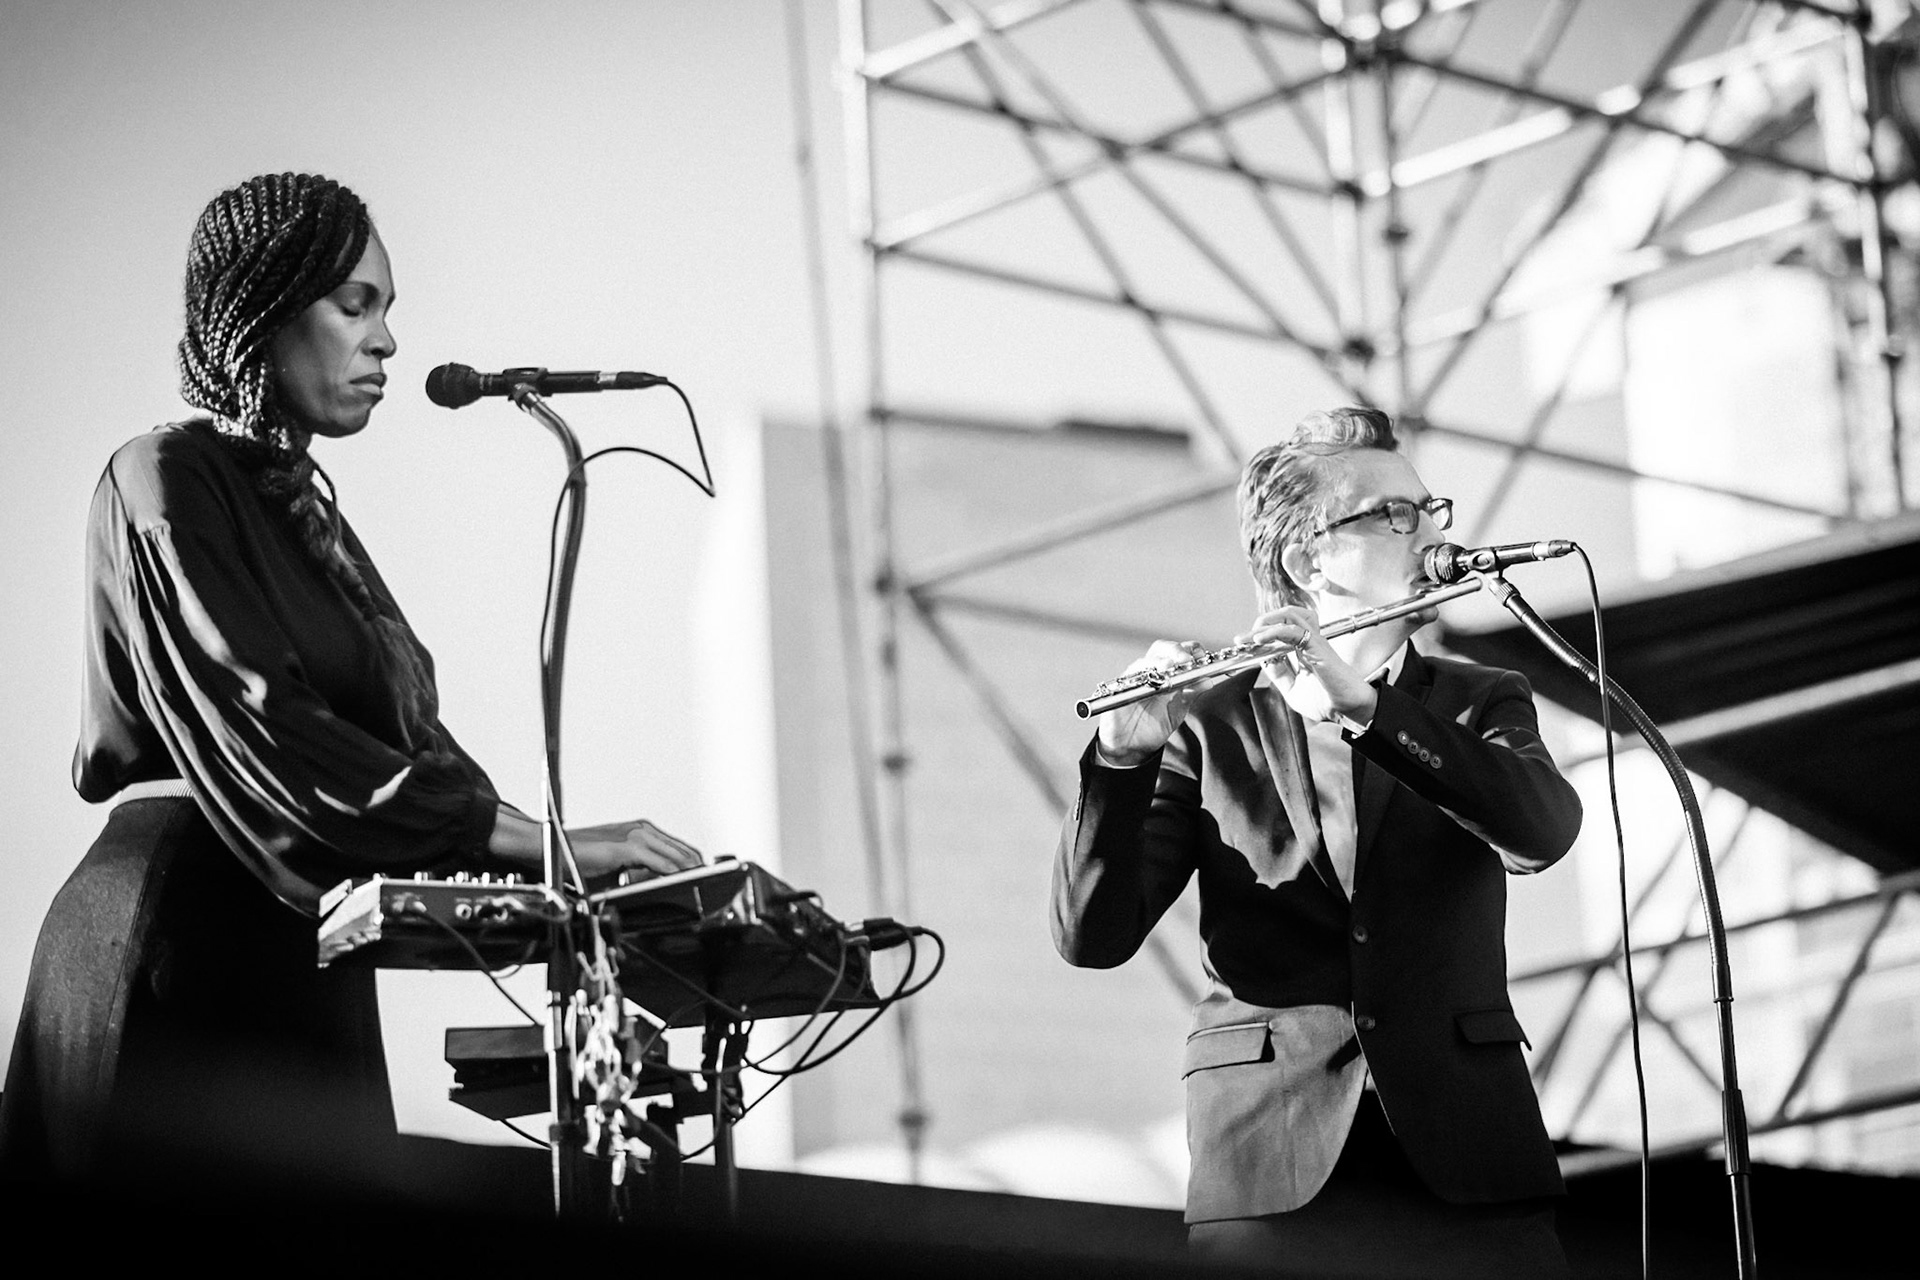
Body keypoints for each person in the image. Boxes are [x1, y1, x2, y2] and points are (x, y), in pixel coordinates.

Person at [0, 172, 702, 1196]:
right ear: (265, 310)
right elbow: (272, 728)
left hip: (304, 942)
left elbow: (419, 757)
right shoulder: (160, 475)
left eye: (389, 310)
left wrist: (573, 871)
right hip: (172, 932)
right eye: (355, 304)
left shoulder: (317, 529)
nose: (386, 342)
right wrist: (544, 843)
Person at [1052, 406, 1582, 1277]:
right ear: (1308, 559)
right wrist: (1120, 761)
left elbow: (1542, 830)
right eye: (1394, 515)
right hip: (1270, 1158)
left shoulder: (1479, 696)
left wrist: (1371, 713)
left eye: (1430, 508)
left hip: (1470, 1157)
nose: (1432, 534)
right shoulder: (1207, 722)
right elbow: (1092, 937)